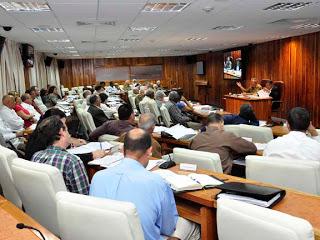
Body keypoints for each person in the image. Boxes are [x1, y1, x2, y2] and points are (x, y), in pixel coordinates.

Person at [90, 128, 200, 240]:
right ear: (149, 151)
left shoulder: (97, 178)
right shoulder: (157, 183)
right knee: (192, 224)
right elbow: (168, 228)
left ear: (123, 150)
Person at [31, 116, 89, 194]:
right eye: (67, 130)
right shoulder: (72, 161)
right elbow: (84, 196)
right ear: (62, 132)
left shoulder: (36, 156)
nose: (70, 134)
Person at [25, 108, 107, 162]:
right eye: (62, 126)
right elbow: (64, 159)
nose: (64, 128)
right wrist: (91, 155)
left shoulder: (41, 133)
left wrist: (71, 141)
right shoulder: (41, 144)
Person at [191, 113, 257, 174]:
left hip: (200, 175)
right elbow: (252, 148)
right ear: (222, 123)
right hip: (222, 178)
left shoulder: (196, 138)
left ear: (207, 125)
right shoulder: (227, 136)